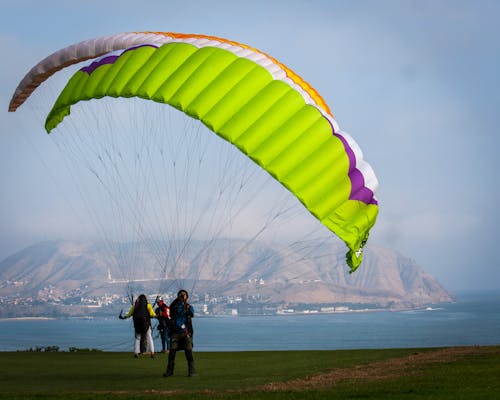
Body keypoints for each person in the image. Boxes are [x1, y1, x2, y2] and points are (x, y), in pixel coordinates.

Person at [163, 289, 196, 377]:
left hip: (185, 333)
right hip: (175, 333)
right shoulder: (174, 306)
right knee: (172, 353)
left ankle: (192, 371)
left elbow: (192, 314)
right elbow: (171, 312)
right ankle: (169, 371)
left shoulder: (189, 307)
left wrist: (186, 308)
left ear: (187, 297)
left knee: (189, 352)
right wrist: (178, 301)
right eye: (181, 295)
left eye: (184, 295)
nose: (182, 296)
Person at [119, 294, 157, 358]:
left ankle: (136, 353)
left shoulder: (135, 306)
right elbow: (152, 314)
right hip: (146, 325)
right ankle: (152, 353)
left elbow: (129, 314)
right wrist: (157, 315)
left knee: (137, 338)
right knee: (149, 337)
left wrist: (123, 317)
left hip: (137, 325)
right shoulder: (148, 305)